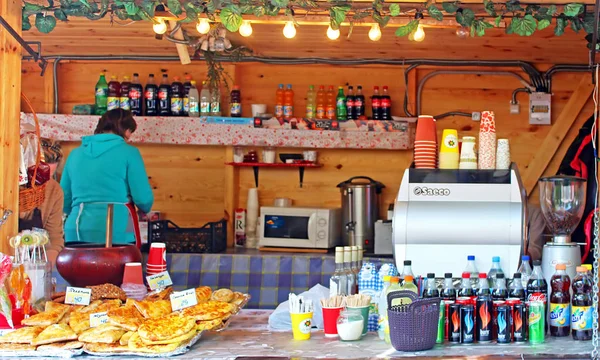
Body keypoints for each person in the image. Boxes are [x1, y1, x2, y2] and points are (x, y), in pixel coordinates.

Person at [61, 109, 154, 245]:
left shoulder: (74, 154)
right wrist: (145, 209)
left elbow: (64, 198)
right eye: (130, 133)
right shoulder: (130, 152)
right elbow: (143, 198)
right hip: (119, 231)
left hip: (76, 231)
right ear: (126, 130)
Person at [19, 139, 65, 265]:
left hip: (33, 263)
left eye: (48, 178)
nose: (43, 184)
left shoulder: (54, 191)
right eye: (39, 177)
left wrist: (46, 266)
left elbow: (54, 238)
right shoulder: (9, 188)